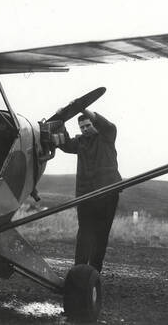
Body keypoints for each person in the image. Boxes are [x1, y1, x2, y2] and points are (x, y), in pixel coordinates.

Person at [59, 109, 122, 273]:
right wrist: (61, 120)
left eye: (88, 125)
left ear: (95, 124)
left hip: (108, 194)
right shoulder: (80, 142)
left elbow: (105, 124)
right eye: (82, 127)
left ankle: (94, 274)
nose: (85, 129)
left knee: (101, 235)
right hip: (85, 195)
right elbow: (65, 144)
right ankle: (79, 272)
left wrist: (82, 107)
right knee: (84, 234)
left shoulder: (107, 136)